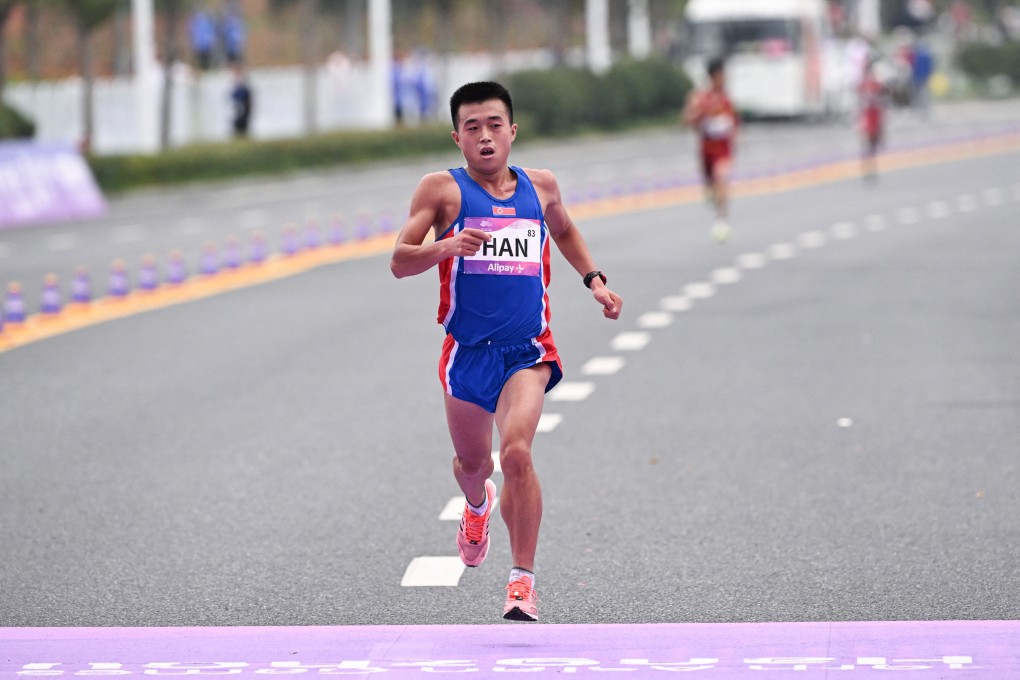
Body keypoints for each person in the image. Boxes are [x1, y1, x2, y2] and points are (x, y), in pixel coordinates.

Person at [390, 81, 622, 621]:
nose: (486, 136)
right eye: (473, 127)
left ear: (513, 131)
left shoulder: (540, 188)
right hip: (467, 353)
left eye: (495, 124)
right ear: (457, 138)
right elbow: (400, 260)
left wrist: (594, 280)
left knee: (516, 452)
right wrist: (447, 244)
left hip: (527, 350)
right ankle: (477, 505)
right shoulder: (440, 192)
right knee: (474, 464)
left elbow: (563, 231)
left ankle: (522, 582)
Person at [682, 57, 738, 243]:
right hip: (707, 150)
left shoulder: (727, 98)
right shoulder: (700, 97)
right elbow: (687, 121)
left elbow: (734, 122)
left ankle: (721, 221)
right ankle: (711, 192)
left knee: (722, 179)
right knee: (711, 187)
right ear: (713, 76)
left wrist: (736, 138)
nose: (724, 79)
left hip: (723, 149)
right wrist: (701, 112)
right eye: (721, 75)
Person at [858, 57, 887, 181]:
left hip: (874, 116)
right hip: (868, 116)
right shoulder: (865, 83)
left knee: (872, 145)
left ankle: (871, 169)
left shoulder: (875, 83)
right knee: (868, 145)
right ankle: (869, 169)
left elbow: (882, 98)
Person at [230, 64, 253, 138]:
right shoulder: (235, 82)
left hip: (243, 106)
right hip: (238, 106)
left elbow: (246, 95)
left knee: (243, 124)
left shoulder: (244, 83)